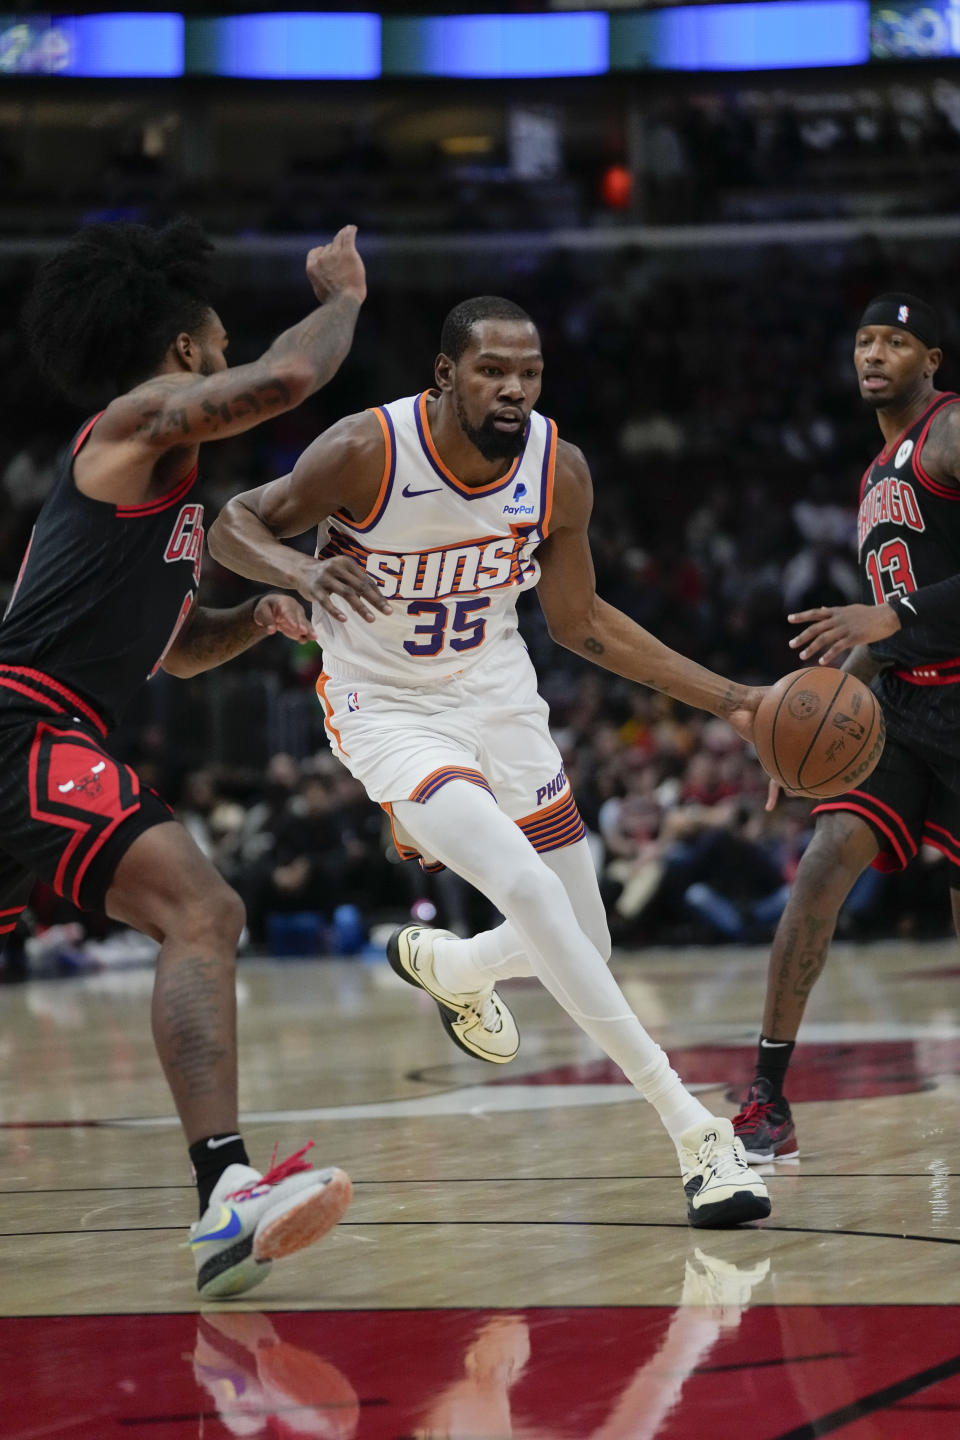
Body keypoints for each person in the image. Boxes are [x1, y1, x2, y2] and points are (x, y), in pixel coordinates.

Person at [209, 295, 771, 1229]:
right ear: (445, 376)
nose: (513, 389)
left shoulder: (559, 470)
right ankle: (695, 1132)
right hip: (387, 712)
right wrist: (301, 572)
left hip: (502, 703)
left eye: (529, 373)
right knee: (532, 892)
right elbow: (233, 521)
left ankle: (462, 968)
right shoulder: (367, 450)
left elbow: (582, 626)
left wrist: (737, 701)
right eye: (491, 371)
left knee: (583, 942)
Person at [1, 216, 370, 1296]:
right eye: (221, 345)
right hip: (21, 728)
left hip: (44, 729)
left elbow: (175, 653)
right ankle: (225, 1193)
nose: (232, 359)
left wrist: (255, 620)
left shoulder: (160, 501)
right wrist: (343, 294)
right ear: (185, 355)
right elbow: (294, 373)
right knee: (202, 913)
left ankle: (224, 1195)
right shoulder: (137, 420)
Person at [732, 291, 960, 1162]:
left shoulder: (949, 429)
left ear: (930, 359)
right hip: (902, 704)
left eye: (895, 340)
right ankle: (768, 1097)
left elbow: (889, 614)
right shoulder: (874, 477)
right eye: (865, 340)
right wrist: (801, 733)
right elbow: (875, 633)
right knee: (821, 870)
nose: (874, 353)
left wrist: (893, 615)